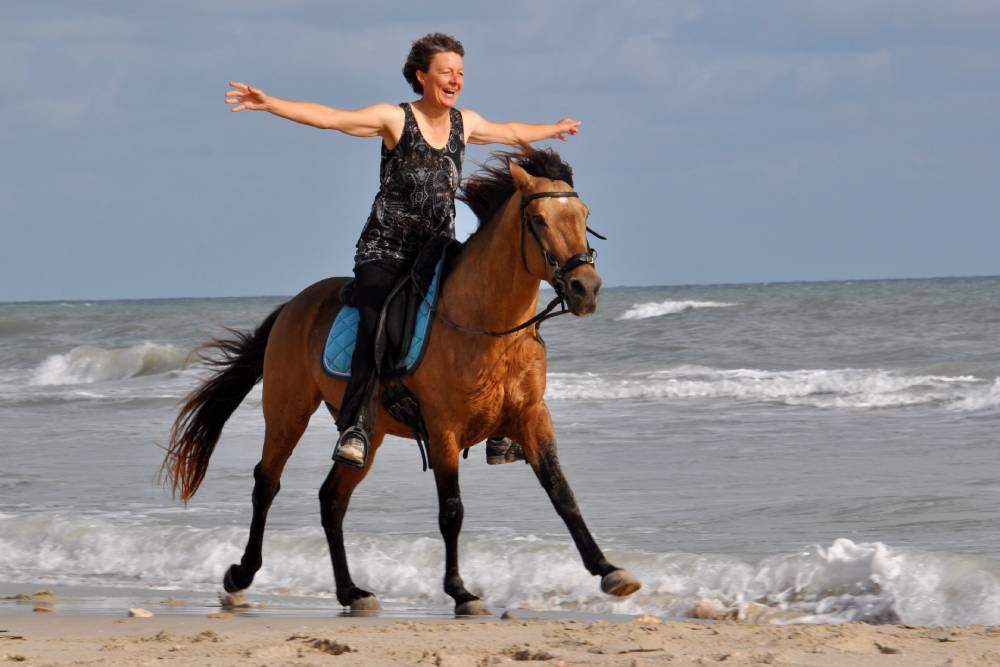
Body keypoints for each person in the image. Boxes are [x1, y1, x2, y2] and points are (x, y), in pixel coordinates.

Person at [225, 33, 580, 468]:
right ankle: (355, 423)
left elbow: (509, 131)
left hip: (437, 249)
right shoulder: (395, 120)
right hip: (385, 251)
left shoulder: (463, 123)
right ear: (421, 76)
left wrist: (554, 128)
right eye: (447, 72)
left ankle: (504, 423)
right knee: (379, 322)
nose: (456, 80)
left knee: (493, 306)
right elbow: (330, 118)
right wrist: (271, 103)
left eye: (461, 73)